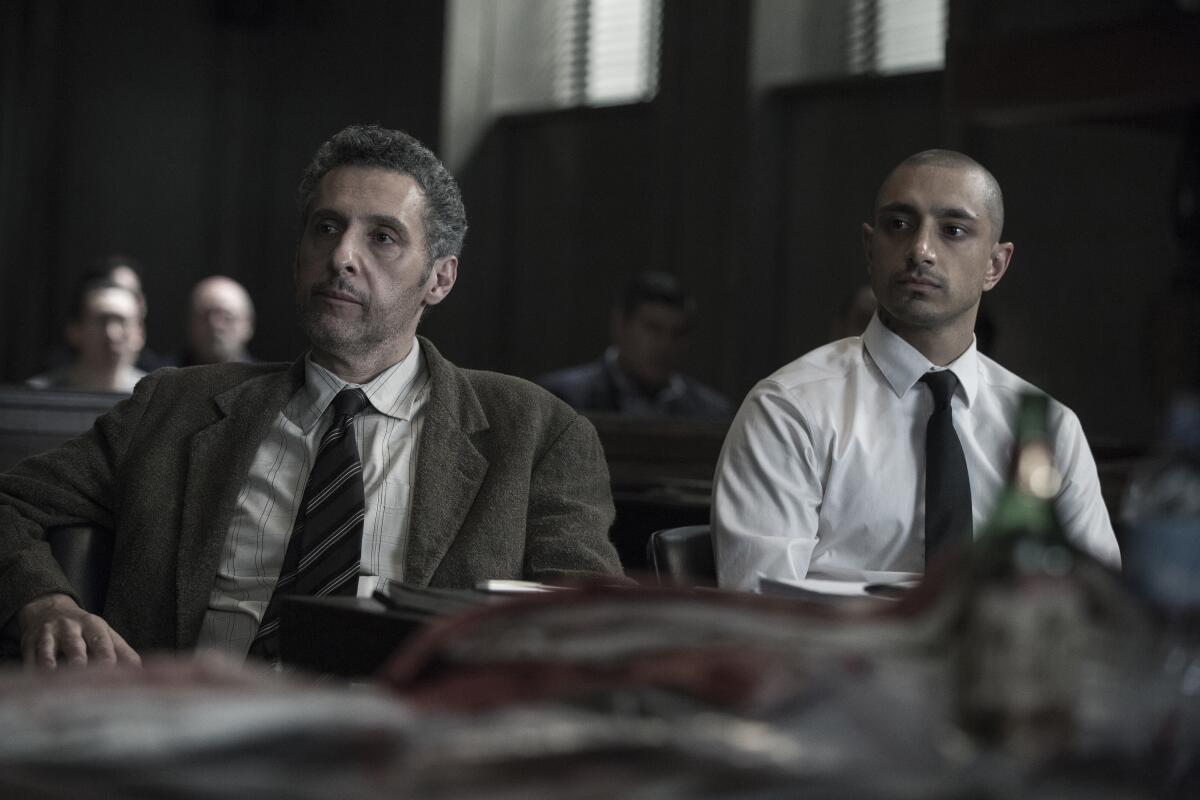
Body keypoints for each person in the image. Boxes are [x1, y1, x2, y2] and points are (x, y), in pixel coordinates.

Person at [0, 123, 624, 669]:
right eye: (326, 228)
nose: (342, 257)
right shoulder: (173, 407)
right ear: (298, 254)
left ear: (440, 277)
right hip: (187, 739)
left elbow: (592, 625)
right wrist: (44, 604)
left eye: (383, 237)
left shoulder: (537, 432)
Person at [713, 150, 1120, 591]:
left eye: (953, 230)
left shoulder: (1050, 428)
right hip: (837, 658)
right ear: (870, 248)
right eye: (899, 225)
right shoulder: (790, 409)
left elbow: (1096, 609)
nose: (921, 250)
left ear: (994, 265)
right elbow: (758, 614)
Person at [537, 271, 732, 420]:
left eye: (677, 334)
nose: (665, 345)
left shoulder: (711, 412)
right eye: (652, 328)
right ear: (621, 325)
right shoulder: (562, 398)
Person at [26, 277, 147, 393]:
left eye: (122, 321)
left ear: (139, 333)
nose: (112, 334)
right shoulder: (35, 395)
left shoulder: (158, 399)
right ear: (74, 330)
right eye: (101, 321)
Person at [173, 275, 257, 366]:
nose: (215, 325)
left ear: (249, 324)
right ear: (191, 322)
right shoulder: (165, 378)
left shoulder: (265, 378)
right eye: (205, 316)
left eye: (227, 317)